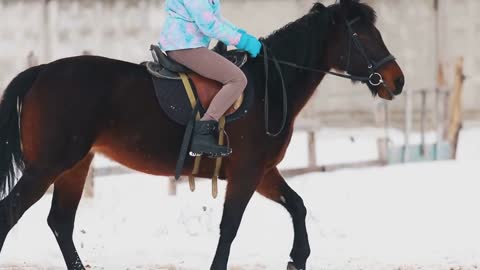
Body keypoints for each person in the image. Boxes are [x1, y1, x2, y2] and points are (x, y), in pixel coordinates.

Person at [159, 0, 261, 157]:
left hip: (187, 43)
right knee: (237, 79)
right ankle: (203, 132)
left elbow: (216, 18)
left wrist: (240, 33)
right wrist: (242, 41)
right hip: (184, 46)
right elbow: (209, 25)